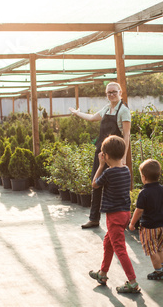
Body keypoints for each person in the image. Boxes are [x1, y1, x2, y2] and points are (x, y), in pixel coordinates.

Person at [69, 82, 131, 229]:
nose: (111, 95)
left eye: (114, 92)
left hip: (116, 153)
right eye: (108, 92)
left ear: (120, 92)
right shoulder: (107, 108)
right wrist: (77, 113)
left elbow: (127, 135)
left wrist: (123, 158)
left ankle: (123, 220)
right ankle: (94, 218)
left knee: (117, 185)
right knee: (96, 183)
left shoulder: (123, 110)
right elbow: (91, 118)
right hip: (102, 152)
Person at [88, 135, 140, 294]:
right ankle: (102, 273)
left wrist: (101, 164)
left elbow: (94, 184)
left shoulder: (109, 173)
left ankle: (132, 282)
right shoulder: (126, 170)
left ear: (106, 156)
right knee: (108, 243)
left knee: (120, 248)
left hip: (114, 216)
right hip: (125, 214)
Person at [129, 159, 163, 280]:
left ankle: (158, 271)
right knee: (159, 247)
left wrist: (132, 223)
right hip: (162, 225)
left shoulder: (143, 193)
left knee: (151, 250)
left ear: (144, 177)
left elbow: (139, 210)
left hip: (149, 227)